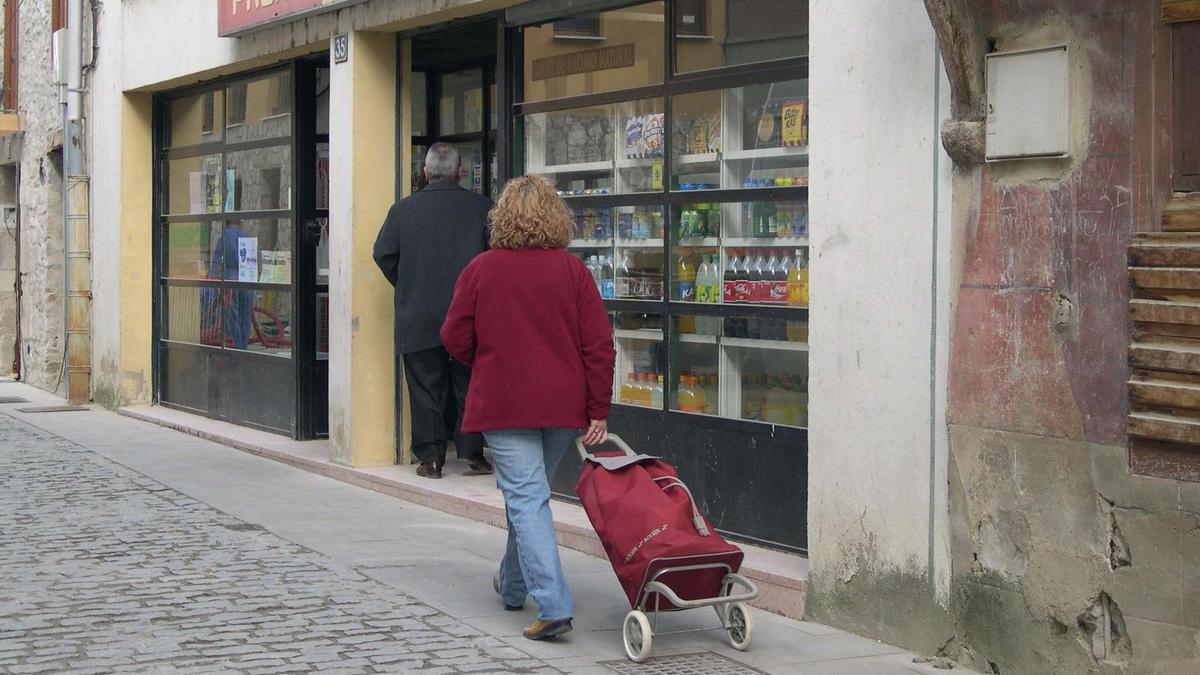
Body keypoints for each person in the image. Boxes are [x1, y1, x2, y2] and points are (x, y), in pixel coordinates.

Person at [440, 175, 616, 641]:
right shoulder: (573, 271)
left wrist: (487, 360)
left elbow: (454, 336)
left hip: (504, 400)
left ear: (502, 218)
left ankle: (555, 604)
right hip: (563, 405)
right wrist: (598, 407)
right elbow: (599, 345)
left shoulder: (481, 269)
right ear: (557, 217)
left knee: (527, 498)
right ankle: (513, 585)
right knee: (531, 496)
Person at [373, 143, 492, 479]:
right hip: (470, 314)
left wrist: (407, 283)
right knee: (469, 382)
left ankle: (431, 459)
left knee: (425, 386)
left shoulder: (403, 210)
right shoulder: (481, 208)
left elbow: (383, 254)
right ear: (459, 172)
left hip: (419, 313)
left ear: (425, 172)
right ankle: (473, 452)